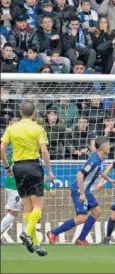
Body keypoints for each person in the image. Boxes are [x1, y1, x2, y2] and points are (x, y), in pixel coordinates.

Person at [0, 101, 55, 256]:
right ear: (34, 113)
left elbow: (1, 149)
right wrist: (49, 170)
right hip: (33, 166)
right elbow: (44, 152)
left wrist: (6, 167)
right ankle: (26, 232)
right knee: (38, 207)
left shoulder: (12, 128)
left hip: (18, 168)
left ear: (20, 112)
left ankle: (36, 244)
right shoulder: (38, 128)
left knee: (27, 208)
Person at [47, 137, 115, 245]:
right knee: (81, 218)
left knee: (96, 212)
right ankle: (53, 233)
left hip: (86, 190)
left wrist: (109, 179)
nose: (110, 146)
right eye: (108, 144)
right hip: (79, 189)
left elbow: (99, 171)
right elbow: (79, 175)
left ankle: (81, 239)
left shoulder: (101, 158)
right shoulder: (94, 160)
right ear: (102, 147)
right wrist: (82, 194)